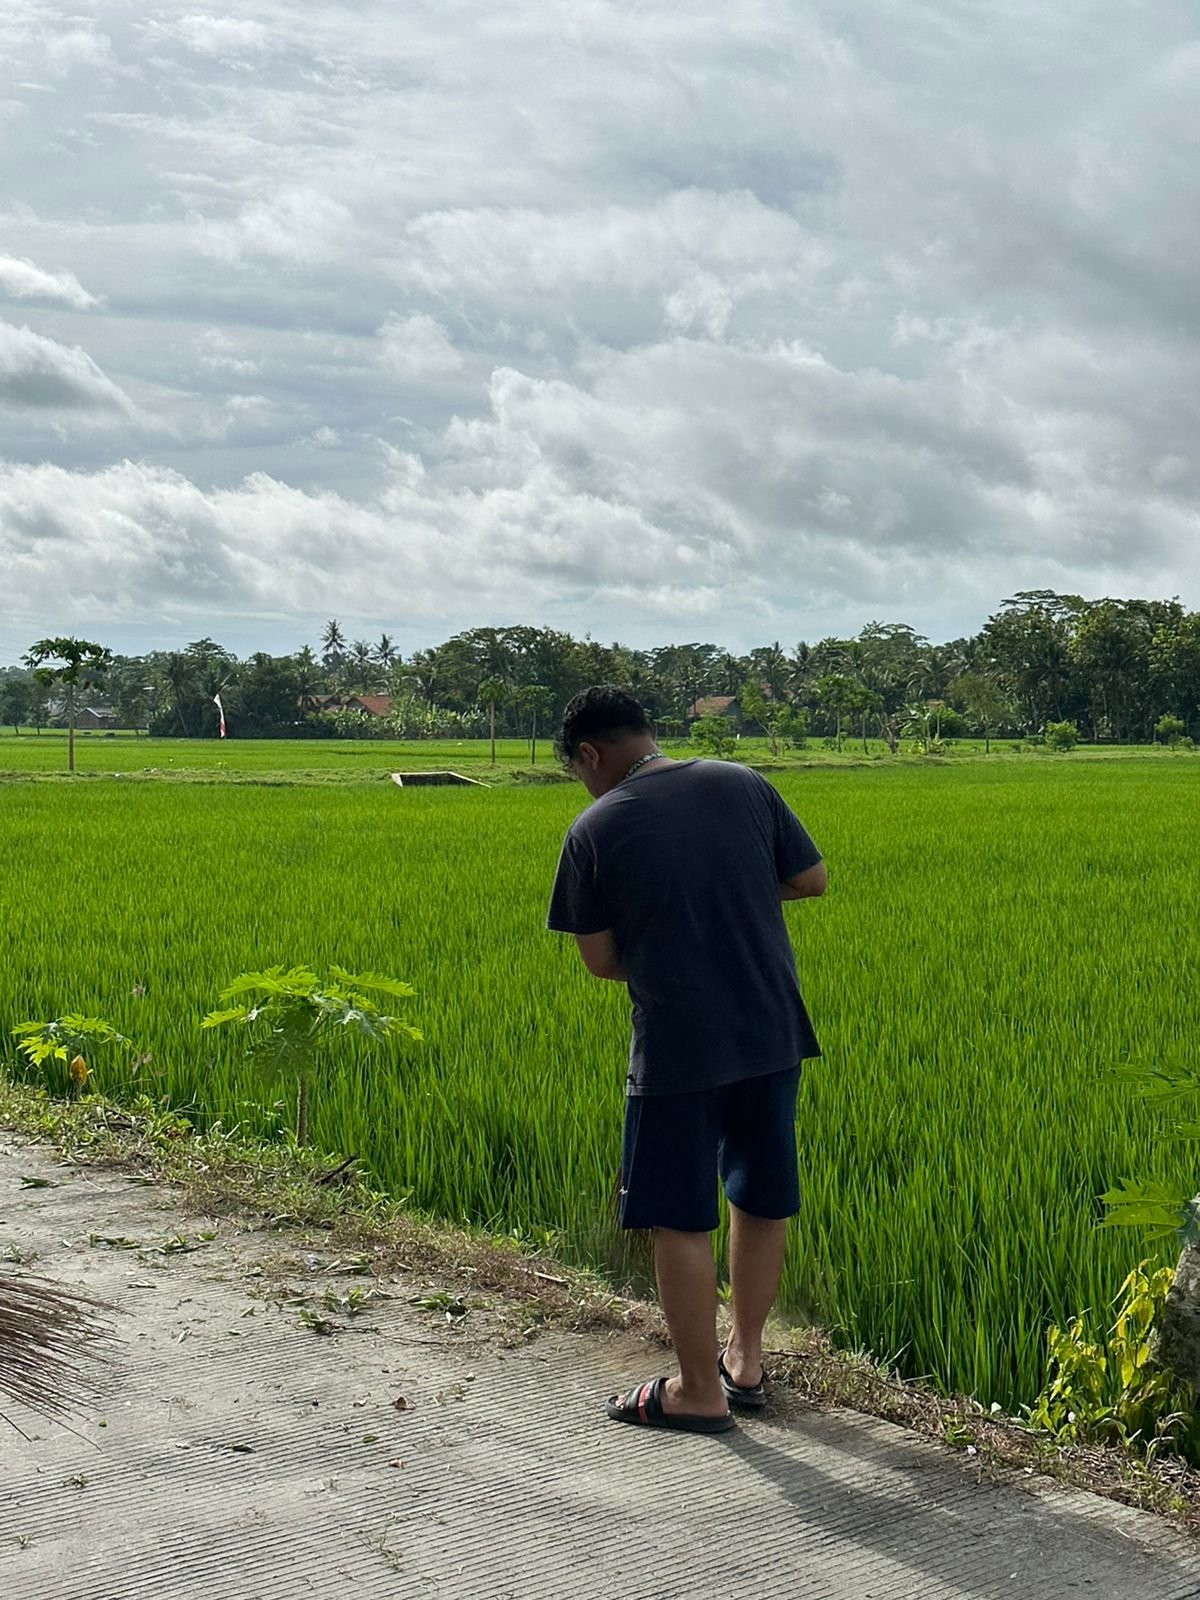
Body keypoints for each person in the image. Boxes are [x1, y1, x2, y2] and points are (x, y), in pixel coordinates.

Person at [547, 685, 826, 1433]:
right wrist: (729, 892)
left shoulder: (595, 826)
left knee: (678, 1217)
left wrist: (670, 913)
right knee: (759, 1195)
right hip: (772, 1031)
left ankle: (698, 1390)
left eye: (580, 770)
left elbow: (601, 961)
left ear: (589, 754)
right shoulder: (744, 782)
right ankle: (746, 1360)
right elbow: (810, 879)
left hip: (677, 1047)